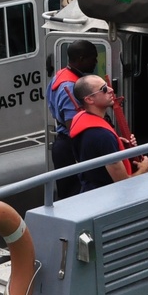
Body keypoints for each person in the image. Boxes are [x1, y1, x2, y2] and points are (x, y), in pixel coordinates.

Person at [69, 74, 148, 193]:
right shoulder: (103, 137)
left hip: (89, 192)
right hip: (107, 200)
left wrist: (119, 145)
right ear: (89, 99)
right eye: (103, 89)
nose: (111, 90)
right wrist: (144, 169)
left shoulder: (81, 120)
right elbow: (124, 184)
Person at [47, 40, 99, 199]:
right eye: (93, 58)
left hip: (64, 143)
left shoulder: (60, 75)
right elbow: (74, 125)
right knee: (75, 195)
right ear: (81, 59)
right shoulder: (70, 86)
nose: (96, 62)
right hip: (71, 146)